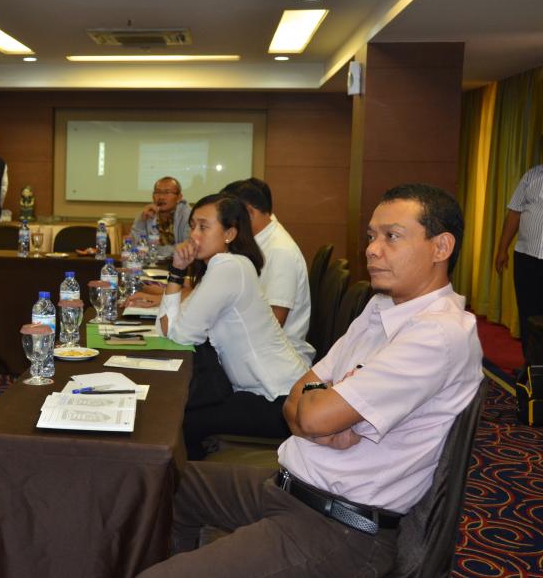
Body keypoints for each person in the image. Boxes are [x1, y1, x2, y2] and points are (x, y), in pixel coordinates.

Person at [139, 184, 483, 578]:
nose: (372, 249)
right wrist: (325, 404)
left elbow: (312, 416)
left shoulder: (437, 334)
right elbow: (297, 401)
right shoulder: (381, 307)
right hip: (288, 486)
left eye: (392, 236)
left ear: (441, 247)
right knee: (160, 484)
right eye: (371, 236)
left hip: (338, 526)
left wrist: (320, 408)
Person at [156, 193, 310, 458]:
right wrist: (177, 270)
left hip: (278, 400)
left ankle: (195, 482)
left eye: (203, 227)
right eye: (192, 226)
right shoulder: (226, 265)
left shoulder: (229, 267)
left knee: (181, 420)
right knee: (182, 413)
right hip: (264, 392)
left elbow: (178, 335)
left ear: (229, 233)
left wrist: (177, 274)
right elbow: (166, 331)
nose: (194, 235)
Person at [221, 178, 314, 362]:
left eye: (230, 218)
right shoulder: (259, 242)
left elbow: (272, 324)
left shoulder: (279, 251)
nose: (227, 225)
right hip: (256, 350)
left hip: (276, 360)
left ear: (249, 212)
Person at [494, 163, 543, 367]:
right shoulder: (532, 175)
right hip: (526, 257)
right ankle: (531, 366)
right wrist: (502, 248)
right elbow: (514, 212)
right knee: (528, 313)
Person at [131, 177, 191, 260]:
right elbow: (135, 247)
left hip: (181, 264)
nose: (161, 197)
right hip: (150, 263)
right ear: (153, 196)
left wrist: (155, 250)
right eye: (158, 192)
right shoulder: (146, 213)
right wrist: (141, 221)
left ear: (179, 197)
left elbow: (187, 248)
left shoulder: (188, 216)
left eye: (167, 192)